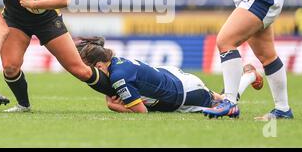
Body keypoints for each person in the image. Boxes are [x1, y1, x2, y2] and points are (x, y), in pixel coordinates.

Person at [76, 37, 263, 114]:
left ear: (99, 65)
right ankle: (247, 75)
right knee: (222, 100)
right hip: (175, 77)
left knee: (227, 107)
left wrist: (115, 107)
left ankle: (249, 76)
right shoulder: (116, 62)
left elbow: (142, 112)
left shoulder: (118, 76)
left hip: (184, 93)